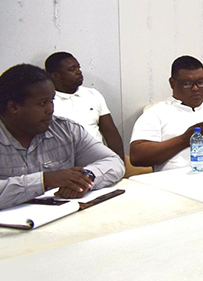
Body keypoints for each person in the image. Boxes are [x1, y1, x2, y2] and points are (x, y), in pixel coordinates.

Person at [0, 64, 124, 209]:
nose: (50, 109)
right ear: (14, 107)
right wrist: (45, 181)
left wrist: (85, 178)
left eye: (52, 101)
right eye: (42, 103)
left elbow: (114, 161)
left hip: (60, 221)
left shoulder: (66, 130)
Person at [44, 51, 125, 160]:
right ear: (55, 76)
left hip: (100, 160)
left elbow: (110, 132)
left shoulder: (93, 94)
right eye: (72, 69)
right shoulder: (47, 102)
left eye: (78, 68)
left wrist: (119, 163)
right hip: (64, 164)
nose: (79, 72)